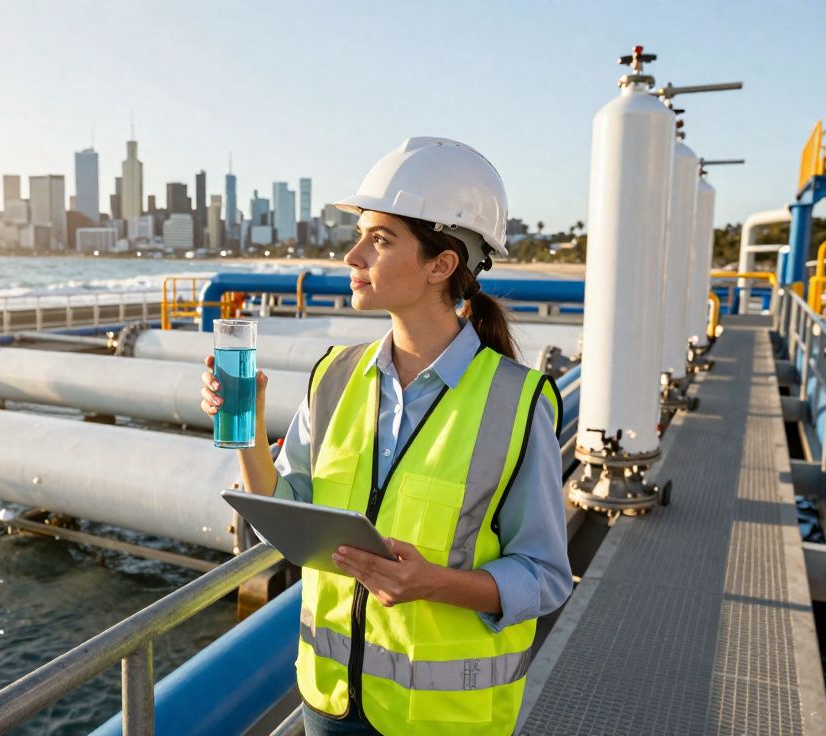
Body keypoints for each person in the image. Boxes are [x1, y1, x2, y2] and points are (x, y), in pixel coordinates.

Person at [199, 137, 572, 736]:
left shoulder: (517, 401)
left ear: (440, 265)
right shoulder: (335, 376)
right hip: (329, 703)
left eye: (380, 239)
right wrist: (246, 431)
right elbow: (289, 511)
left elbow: (546, 577)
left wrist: (435, 583)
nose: (352, 255)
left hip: (443, 720)